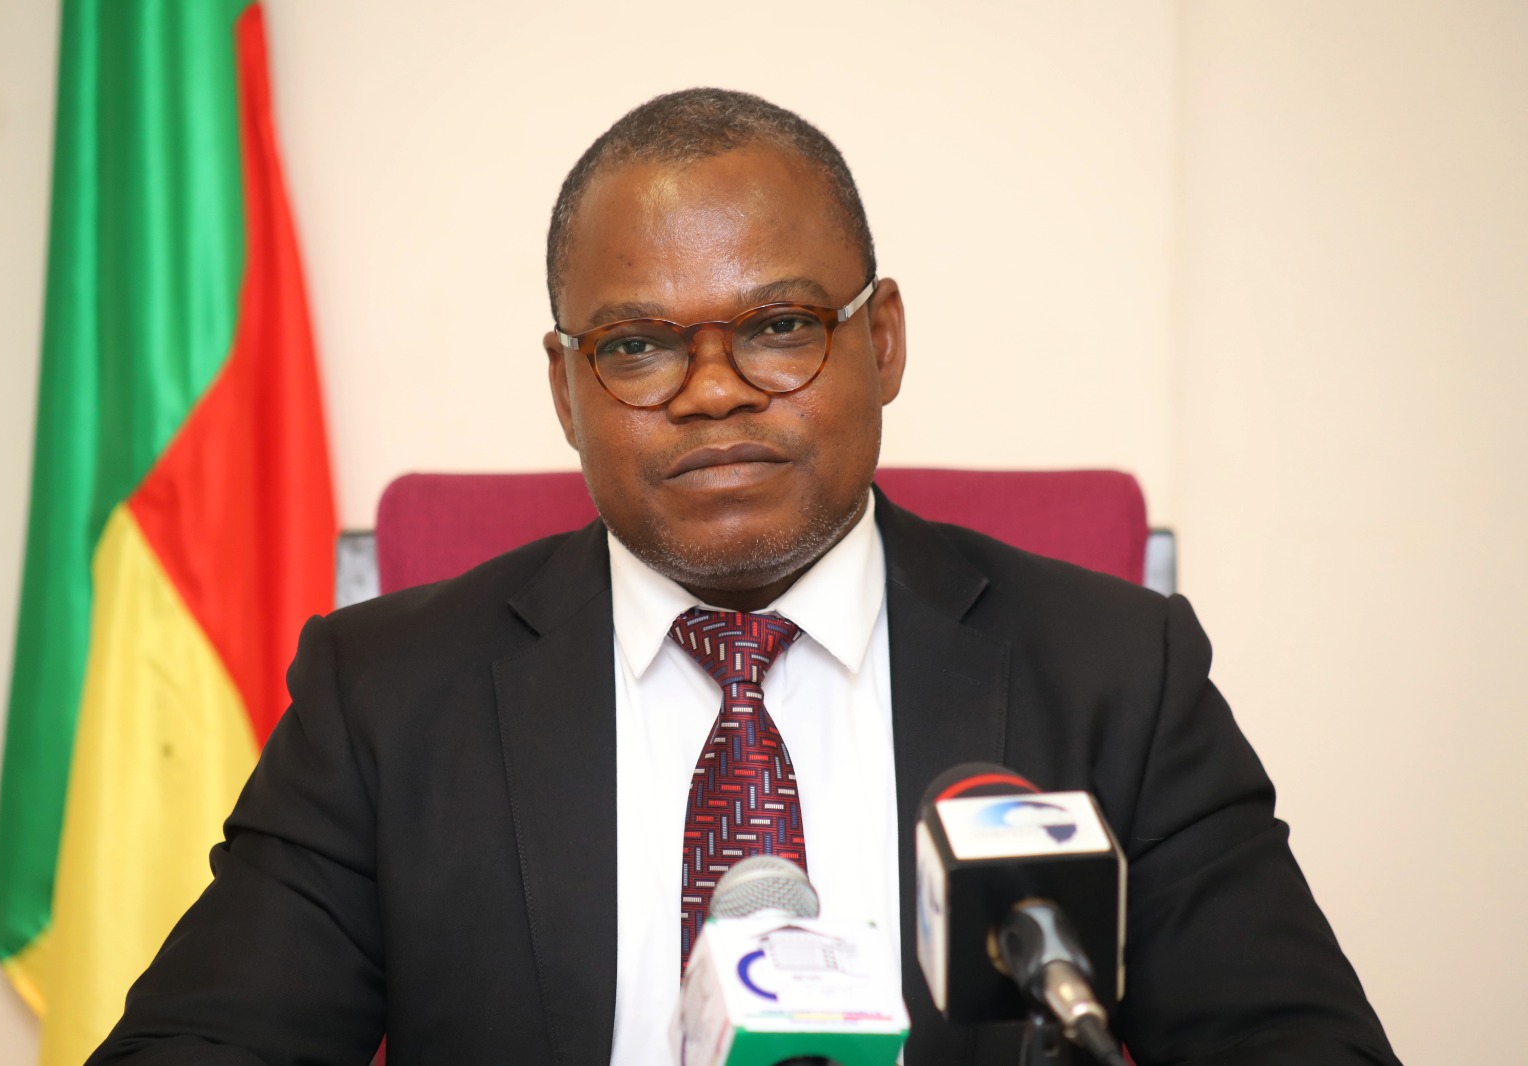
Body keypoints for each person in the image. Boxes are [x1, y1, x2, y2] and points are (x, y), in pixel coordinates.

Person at [90, 89, 1399, 1065]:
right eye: (637, 344)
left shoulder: (1114, 674)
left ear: (883, 342)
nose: (712, 390)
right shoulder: (388, 698)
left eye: (778, 326)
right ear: (566, 388)